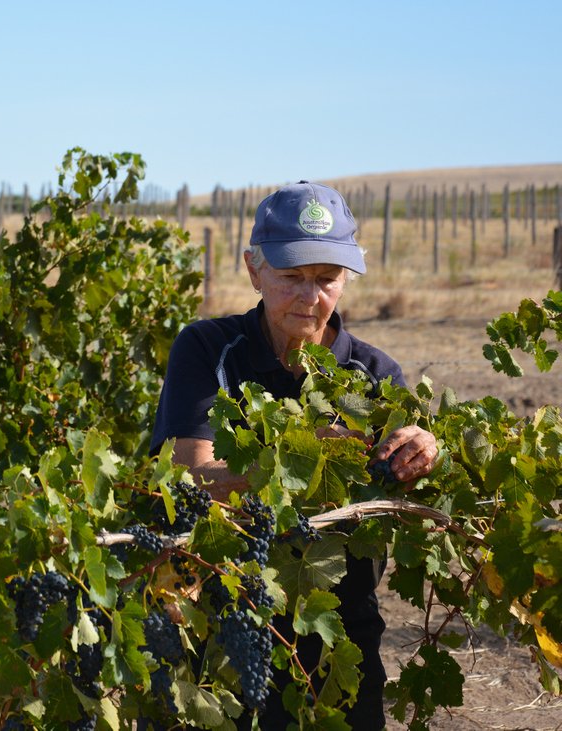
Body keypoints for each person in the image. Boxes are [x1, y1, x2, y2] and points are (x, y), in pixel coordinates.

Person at [149, 181, 438, 729]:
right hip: (223, 627)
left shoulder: (375, 377)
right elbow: (189, 476)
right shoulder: (208, 349)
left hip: (340, 634)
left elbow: (413, 478)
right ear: (252, 269)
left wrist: (426, 451)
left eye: (327, 279)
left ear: (348, 278)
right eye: (291, 278)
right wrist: (298, 459)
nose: (311, 298)